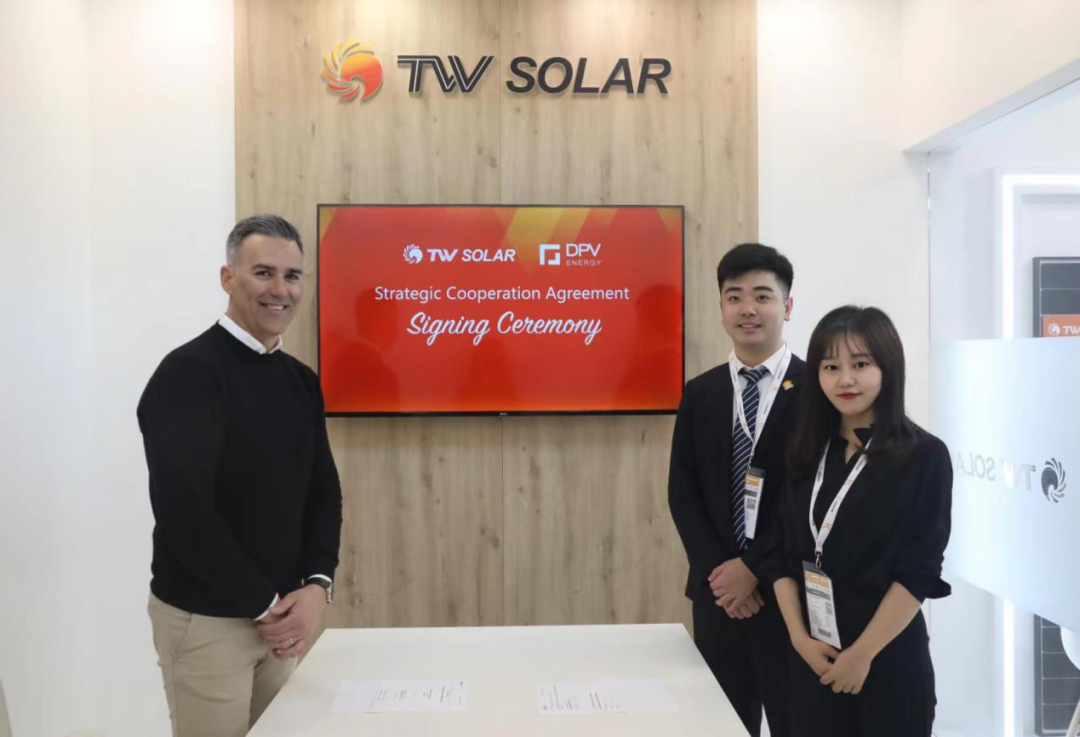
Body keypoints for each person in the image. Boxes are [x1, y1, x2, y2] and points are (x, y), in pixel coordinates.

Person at [138, 214, 343, 737]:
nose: (280, 290)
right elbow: (185, 511)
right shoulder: (188, 374)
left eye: (292, 276)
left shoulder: (300, 381)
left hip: (281, 622)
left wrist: (317, 586)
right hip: (209, 624)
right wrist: (266, 605)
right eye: (263, 273)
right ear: (228, 278)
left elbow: (323, 492)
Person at [771, 306, 951, 736]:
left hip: (887, 660)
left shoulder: (924, 455)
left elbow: (919, 571)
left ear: (888, 367)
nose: (845, 380)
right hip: (812, 658)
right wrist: (799, 640)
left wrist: (862, 654)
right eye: (831, 367)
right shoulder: (805, 451)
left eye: (861, 364)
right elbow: (781, 554)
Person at [669, 243, 803, 737]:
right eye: (735, 296)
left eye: (763, 296)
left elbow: (810, 502)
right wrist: (723, 576)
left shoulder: (818, 391)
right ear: (722, 307)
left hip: (790, 594)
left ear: (787, 307)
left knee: (797, 723)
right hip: (720, 595)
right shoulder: (700, 392)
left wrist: (754, 569)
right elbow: (682, 492)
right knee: (721, 724)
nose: (748, 308)